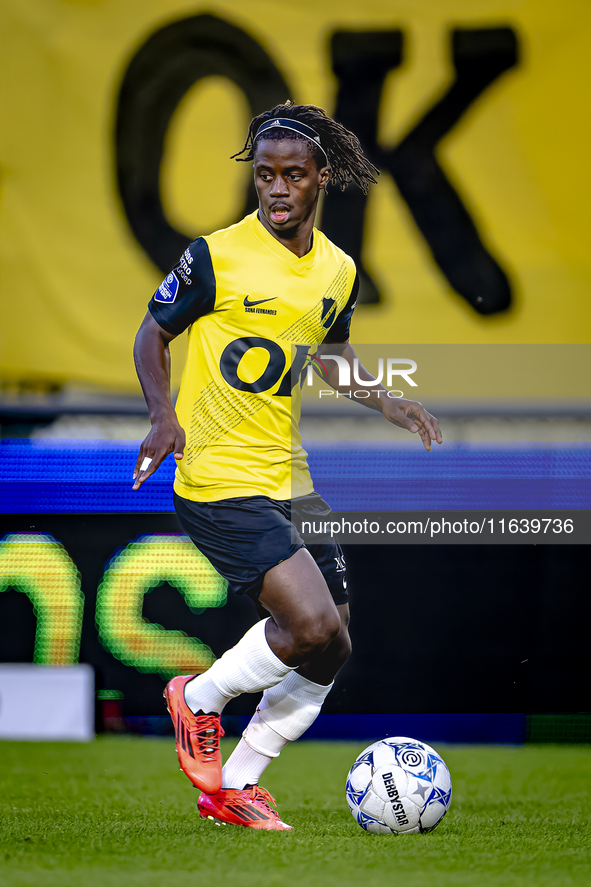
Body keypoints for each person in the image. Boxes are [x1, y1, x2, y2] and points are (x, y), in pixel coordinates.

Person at [132, 102, 442, 831]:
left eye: (292, 176)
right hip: (217, 476)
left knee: (332, 640)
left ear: (320, 180)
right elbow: (153, 332)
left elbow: (331, 354)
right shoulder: (214, 256)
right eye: (264, 175)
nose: (275, 189)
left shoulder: (337, 269)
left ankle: (234, 786)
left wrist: (389, 401)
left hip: (289, 476)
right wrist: (161, 413)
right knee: (304, 623)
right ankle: (199, 697)